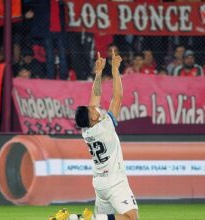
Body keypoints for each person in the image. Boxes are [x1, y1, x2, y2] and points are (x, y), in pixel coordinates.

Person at [51, 49, 139, 220]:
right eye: (92, 108)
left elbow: (95, 96)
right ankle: (78, 219)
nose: (94, 106)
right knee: (131, 218)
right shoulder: (105, 126)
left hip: (100, 183)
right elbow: (118, 97)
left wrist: (98, 73)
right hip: (115, 182)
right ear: (92, 117)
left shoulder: (87, 130)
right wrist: (114, 70)